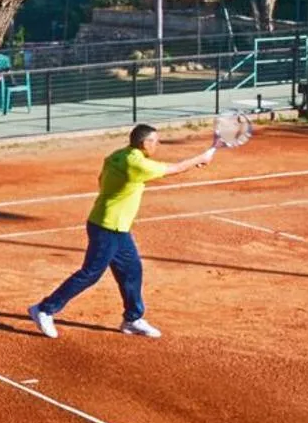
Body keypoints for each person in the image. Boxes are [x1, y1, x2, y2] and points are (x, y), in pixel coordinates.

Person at [28, 124, 215, 339]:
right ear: (145, 144)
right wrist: (201, 158)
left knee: (131, 271)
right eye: (155, 141)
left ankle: (132, 319)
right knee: (90, 274)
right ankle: (44, 309)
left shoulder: (118, 155)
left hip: (116, 227)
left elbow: (101, 180)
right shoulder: (138, 165)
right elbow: (174, 169)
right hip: (107, 227)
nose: (158, 144)